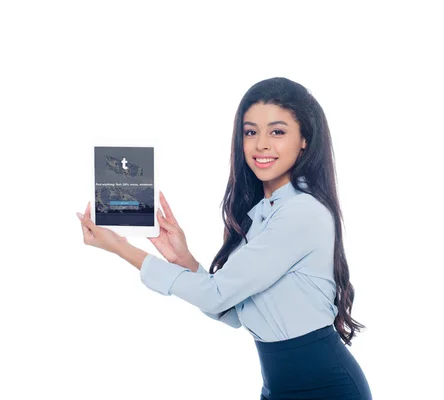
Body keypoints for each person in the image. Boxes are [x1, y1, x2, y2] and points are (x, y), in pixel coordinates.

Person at [76, 77, 372, 399]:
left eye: (277, 131)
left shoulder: (301, 213)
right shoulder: (265, 213)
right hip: (278, 388)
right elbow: (232, 311)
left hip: (327, 389)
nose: (261, 144)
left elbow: (216, 295)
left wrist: (121, 248)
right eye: (250, 132)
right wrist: (182, 259)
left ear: (304, 139)